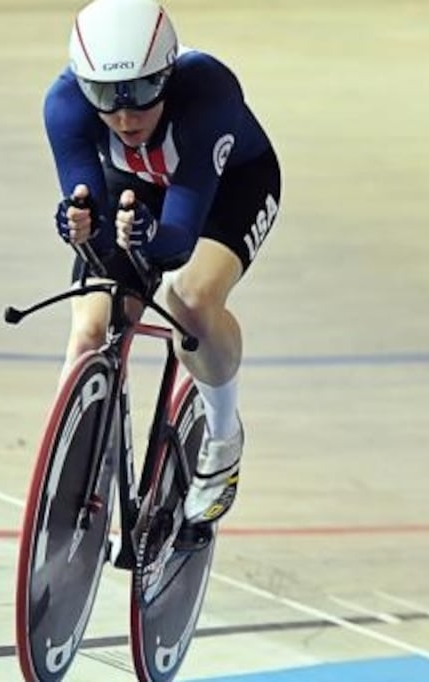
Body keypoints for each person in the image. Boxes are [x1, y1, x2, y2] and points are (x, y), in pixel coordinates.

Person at [45, 0, 281, 527]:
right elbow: (90, 214)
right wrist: (79, 224)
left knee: (188, 299)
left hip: (227, 189)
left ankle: (222, 437)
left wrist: (151, 239)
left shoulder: (209, 93)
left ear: (169, 73)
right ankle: (70, 469)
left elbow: (176, 241)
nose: (126, 117)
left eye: (145, 92)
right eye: (106, 97)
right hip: (137, 189)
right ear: (82, 85)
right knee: (89, 329)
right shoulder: (64, 104)